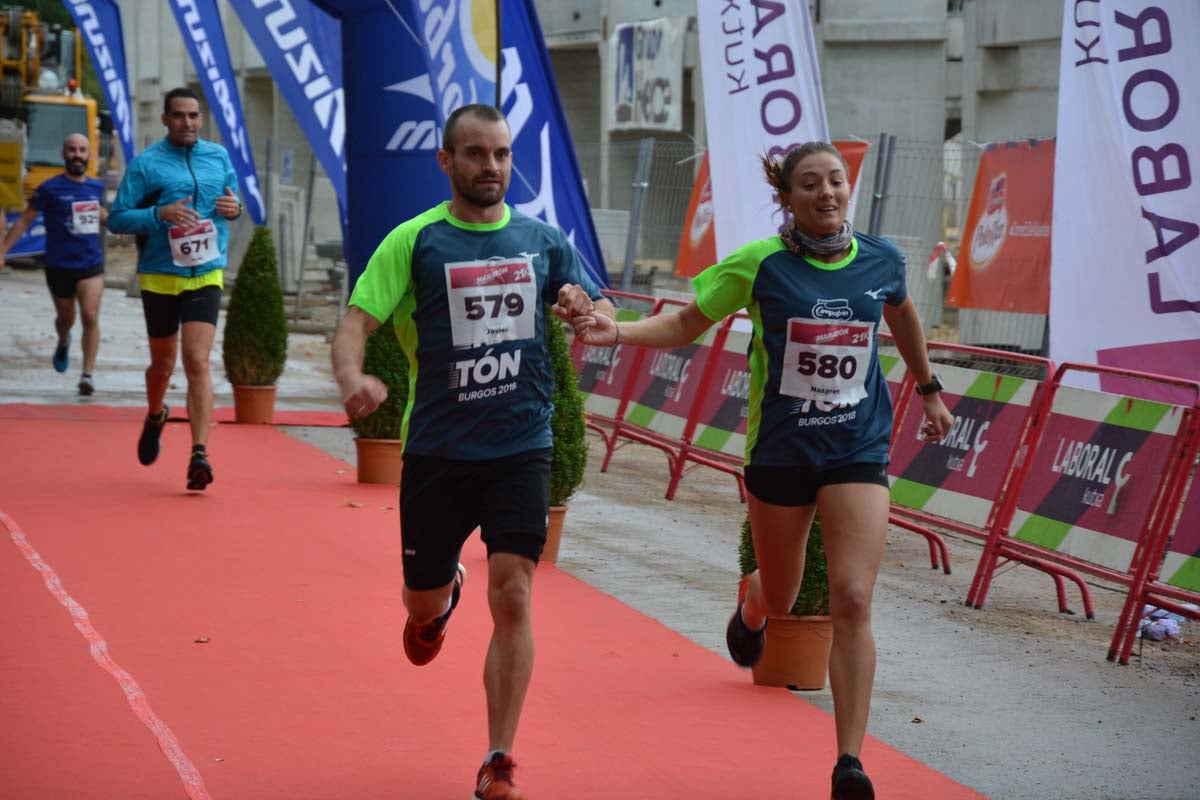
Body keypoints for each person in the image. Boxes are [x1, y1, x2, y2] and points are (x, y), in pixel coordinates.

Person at [564, 141, 954, 800]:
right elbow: (688, 322)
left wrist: (928, 386)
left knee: (852, 599)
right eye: (811, 184)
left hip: (857, 448)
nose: (827, 193)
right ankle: (752, 602)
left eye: (835, 181)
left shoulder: (881, 258)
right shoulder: (759, 264)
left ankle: (850, 764)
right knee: (782, 595)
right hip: (780, 453)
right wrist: (619, 331)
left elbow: (903, 311)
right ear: (788, 197)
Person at [331, 103, 613, 800]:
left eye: (502, 154)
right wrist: (352, 377)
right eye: (477, 154)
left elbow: (594, 312)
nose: (492, 167)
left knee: (515, 591)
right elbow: (356, 323)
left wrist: (584, 311)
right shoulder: (416, 242)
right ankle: (438, 597)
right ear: (447, 161)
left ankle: (499, 757)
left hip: (522, 443)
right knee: (420, 608)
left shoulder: (544, 241)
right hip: (438, 450)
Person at [108, 87, 243, 491]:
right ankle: (155, 414)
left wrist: (232, 210)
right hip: (160, 276)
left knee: (197, 361)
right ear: (165, 120)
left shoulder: (218, 156)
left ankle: (199, 453)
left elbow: (232, 201)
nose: (188, 122)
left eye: (194, 116)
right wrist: (157, 213)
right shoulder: (146, 165)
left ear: (201, 120)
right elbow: (117, 218)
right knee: (163, 366)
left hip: (206, 273)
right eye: (179, 116)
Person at [0, 133, 107, 395]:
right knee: (66, 318)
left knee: (90, 315)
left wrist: (119, 223)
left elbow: (101, 213)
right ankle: (63, 339)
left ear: (89, 155)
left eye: (82, 150)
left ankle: (87, 375)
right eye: (72, 150)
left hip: (90, 263)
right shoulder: (48, 189)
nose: (77, 155)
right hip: (59, 265)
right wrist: (3, 250)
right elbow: (25, 220)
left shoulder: (97, 187)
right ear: (63, 154)